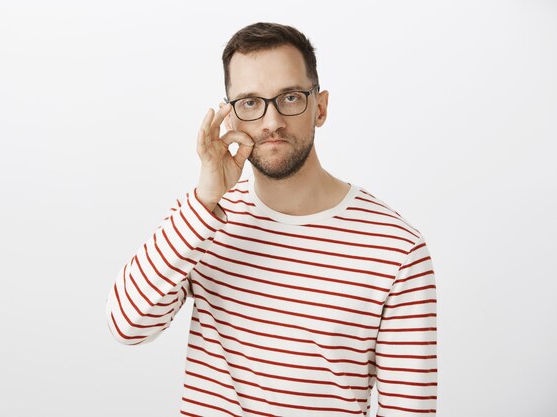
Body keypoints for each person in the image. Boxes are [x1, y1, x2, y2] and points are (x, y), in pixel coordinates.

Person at [105, 21, 437, 416]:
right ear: (230, 118)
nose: (271, 121)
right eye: (250, 102)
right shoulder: (201, 218)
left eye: (290, 97)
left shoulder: (398, 250)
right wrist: (206, 198)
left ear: (321, 107)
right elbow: (127, 326)